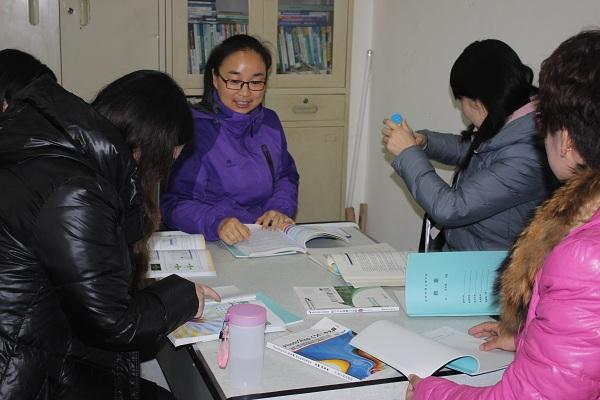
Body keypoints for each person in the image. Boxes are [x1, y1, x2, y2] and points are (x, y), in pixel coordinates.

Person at [0, 49, 219, 400]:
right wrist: (183, 296)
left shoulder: (63, 158)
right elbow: (115, 325)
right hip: (24, 374)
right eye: (171, 155)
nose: (168, 167)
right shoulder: (77, 191)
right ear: (146, 147)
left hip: (40, 346)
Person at [406, 30, 600, 399]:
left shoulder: (584, 256)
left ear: (567, 139)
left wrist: (430, 392)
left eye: (545, 124)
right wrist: (530, 337)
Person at [382, 39, 554, 251]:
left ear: (477, 102)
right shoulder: (512, 117)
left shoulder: (526, 155)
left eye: (460, 101)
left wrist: (408, 153)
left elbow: (451, 208)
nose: (462, 109)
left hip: (491, 266)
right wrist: (425, 143)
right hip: (466, 251)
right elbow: (475, 150)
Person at [160, 34, 299, 245]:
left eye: (256, 82)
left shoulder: (269, 121)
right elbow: (174, 204)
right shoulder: (193, 128)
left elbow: (286, 176)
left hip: (264, 237)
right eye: (234, 81)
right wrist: (217, 223)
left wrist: (279, 209)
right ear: (215, 79)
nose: (245, 92)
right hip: (212, 238)